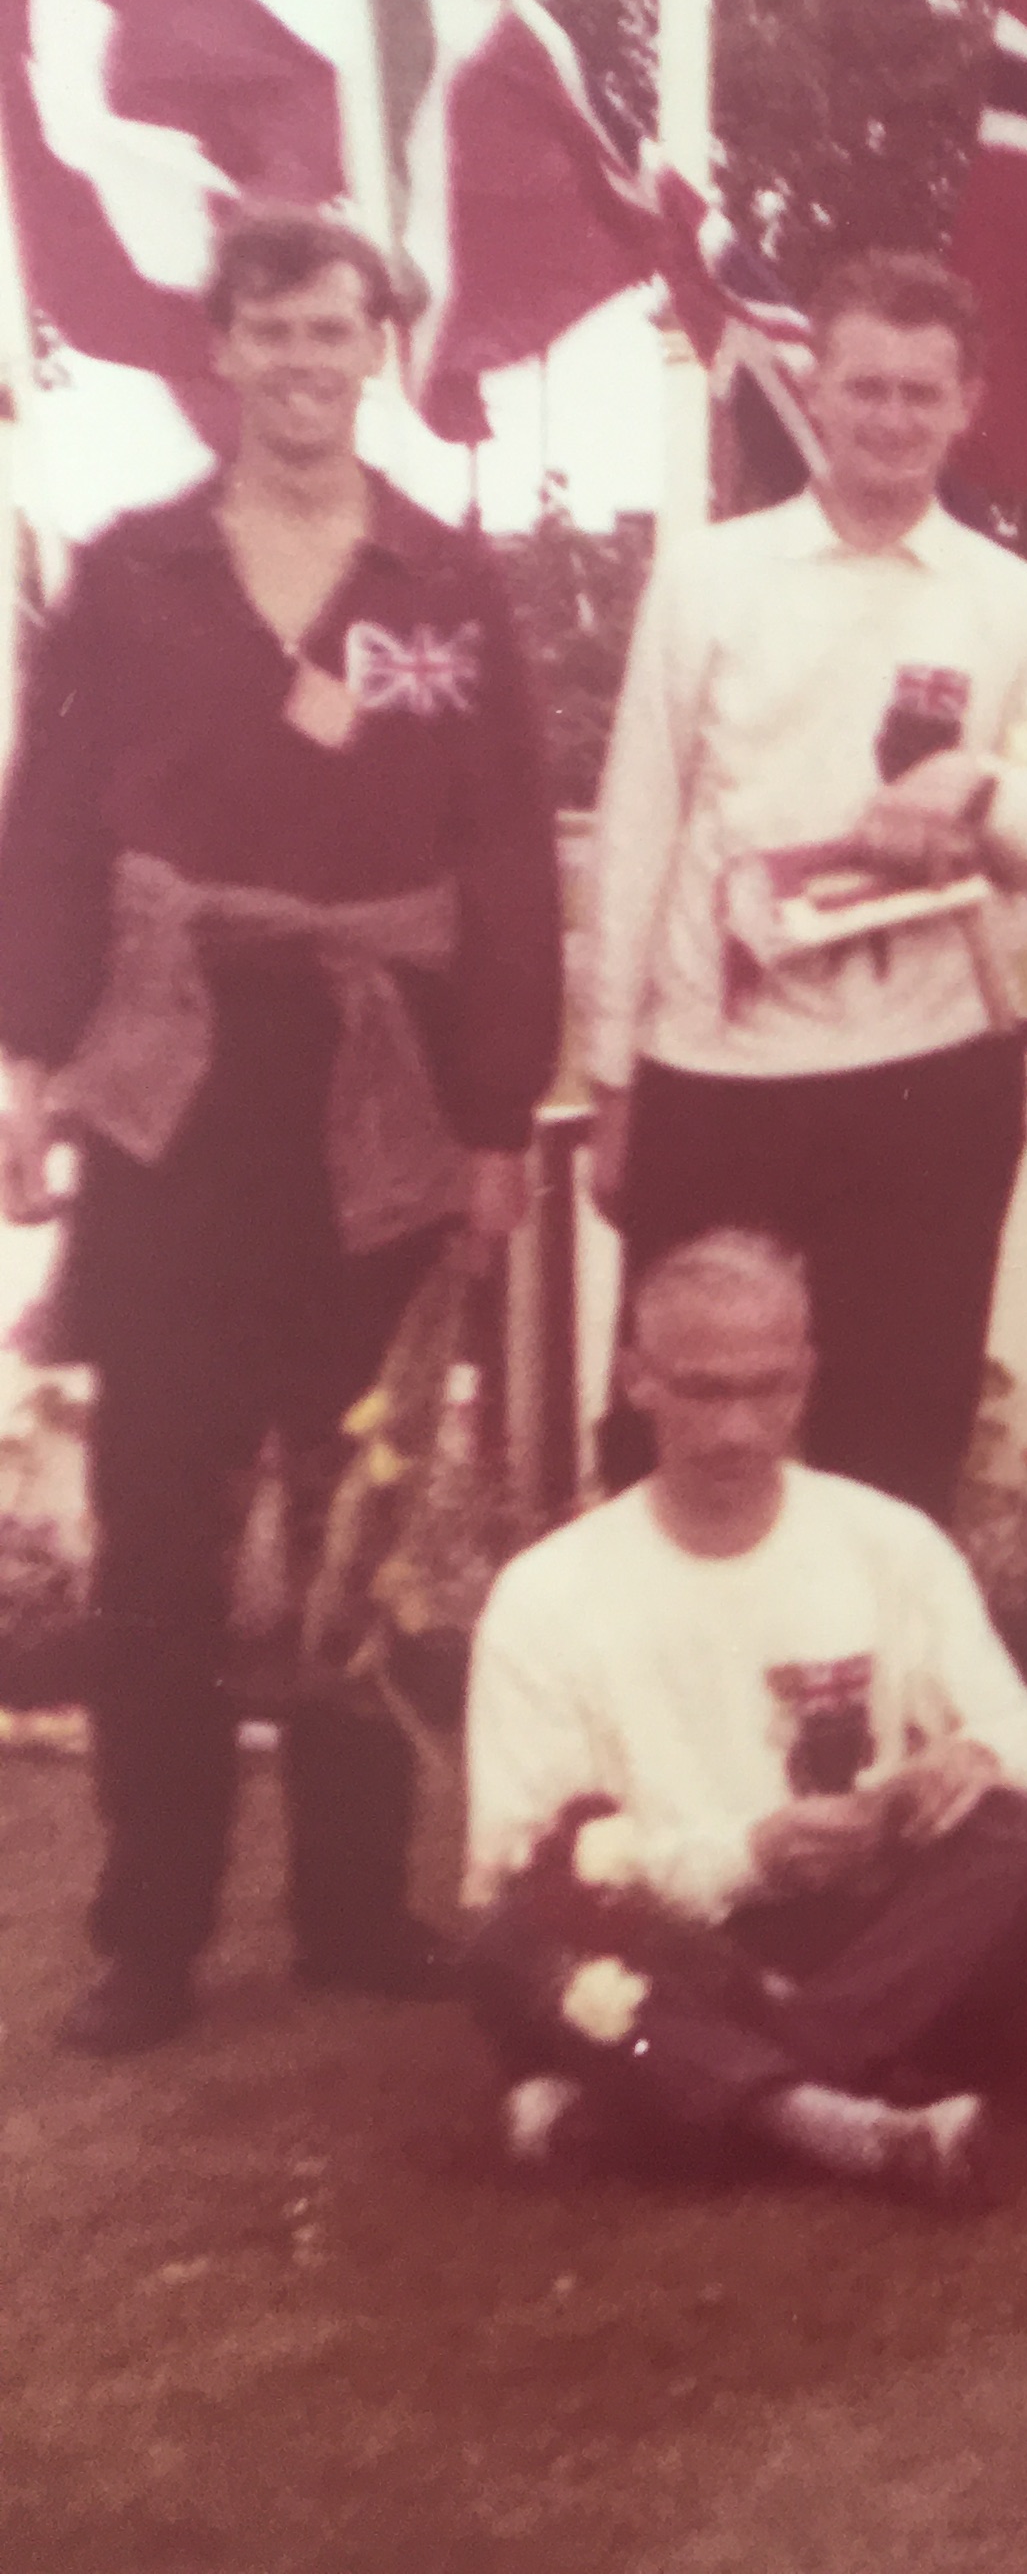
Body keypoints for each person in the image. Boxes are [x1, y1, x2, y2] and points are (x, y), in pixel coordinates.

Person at [0, 208, 562, 2057]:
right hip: (176, 1083)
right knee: (161, 1519)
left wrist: (497, 1115)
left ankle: (351, 1903)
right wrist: (27, 1061)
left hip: (377, 1082)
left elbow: (501, 847)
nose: (308, 360)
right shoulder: (131, 569)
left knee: (359, 1503)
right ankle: (150, 1928)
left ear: (374, 349)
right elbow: (50, 820)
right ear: (223, 347)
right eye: (275, 328)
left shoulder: (444, 583)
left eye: (338, 328)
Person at [586, 251, 1027, 1524]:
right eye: (865, 387)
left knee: (896, 1460)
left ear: (967, 403)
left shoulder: (1020, 608)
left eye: (920, 392)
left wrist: (983, 786)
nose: (891, 417)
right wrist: (616, 1085)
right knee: (672, 1458)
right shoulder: (708, 578)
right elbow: (637, 832)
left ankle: (878, 1662)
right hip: (718, 1080)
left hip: (924, 1083)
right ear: (814, 390)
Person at [459, 1232, 1027, 2200]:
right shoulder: (548, 1592)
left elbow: (1020, 1728)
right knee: (516, 1938)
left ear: (806, 1378)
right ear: (637, 1380)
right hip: (678, 1937)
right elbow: (531, 1859)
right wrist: (748, 1855)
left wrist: (968, 1758)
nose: (739, 1429)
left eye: (769, 1390)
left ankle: (675, 2094)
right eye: (705, 1391)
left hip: (861, 1932)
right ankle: (844, 2123)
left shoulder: (886, 1539)